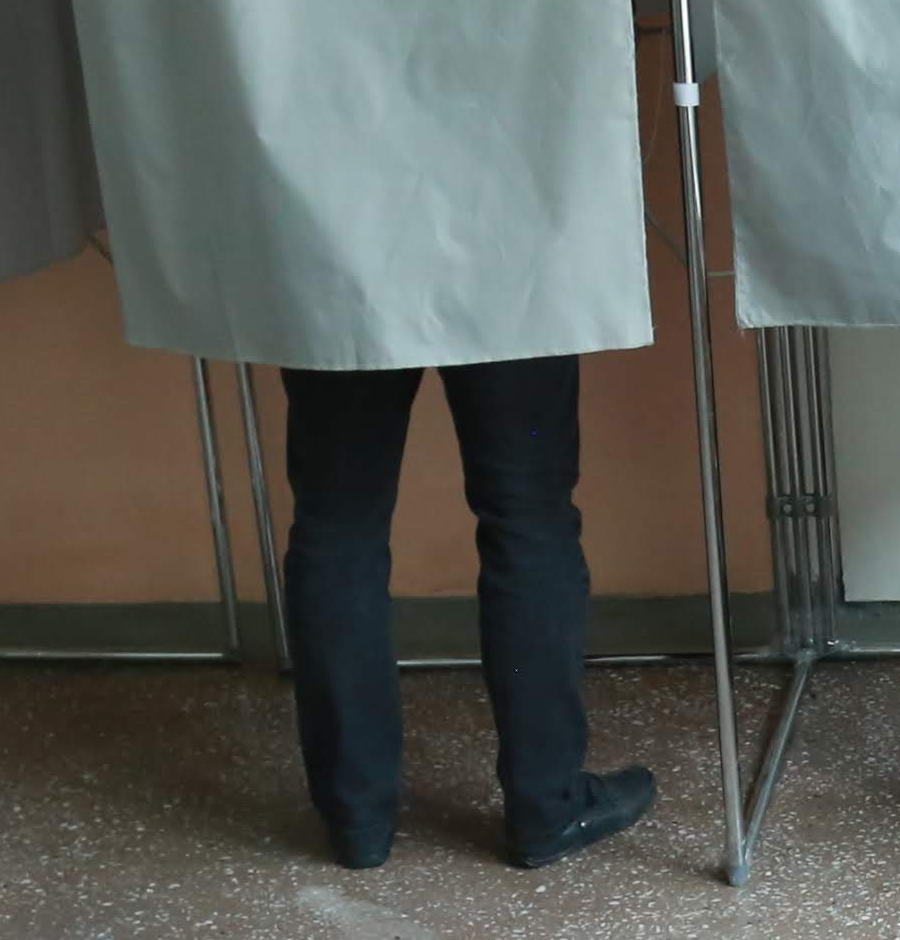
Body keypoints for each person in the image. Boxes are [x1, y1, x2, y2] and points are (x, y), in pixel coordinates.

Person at [275, 356, 653, 873]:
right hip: (508, 302)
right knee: (529, 515)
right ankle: (546, 805)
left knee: (338, 523)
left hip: (343, 301)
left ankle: (354, 815)